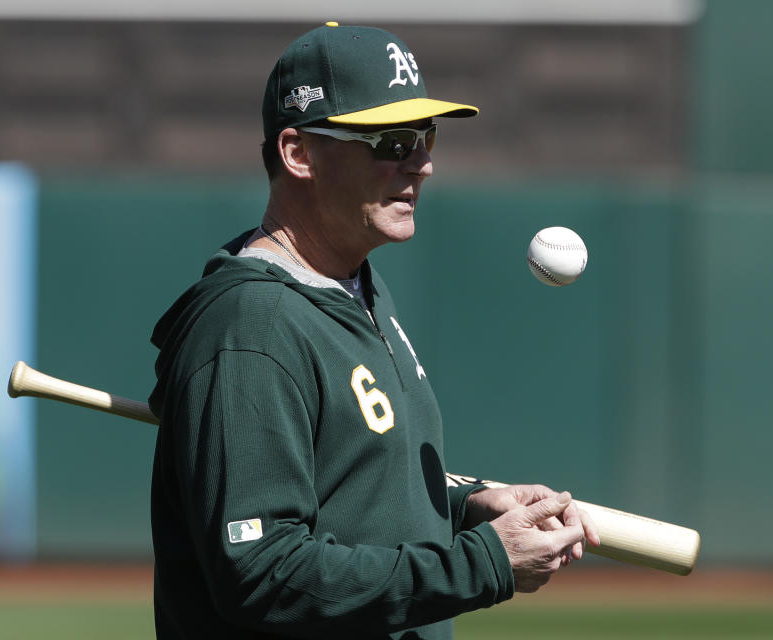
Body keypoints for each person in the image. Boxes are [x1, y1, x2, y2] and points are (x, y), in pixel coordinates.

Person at [148, 22, 599, 639]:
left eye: (425, 136)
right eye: (390, 141)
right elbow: (260, 572)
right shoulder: (251, 328)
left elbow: (351, 479)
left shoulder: (357, 287)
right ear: (298, 153)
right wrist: (483, 561)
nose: (422, 163)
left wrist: (463, 506)